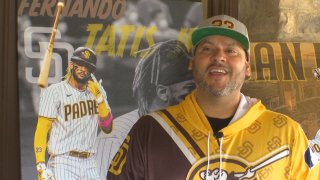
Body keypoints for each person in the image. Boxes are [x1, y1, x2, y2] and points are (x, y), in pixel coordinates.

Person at [107, 15, 320, 179]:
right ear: (192, 63)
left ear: (247, 67)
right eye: (207, 49)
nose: (219, 57)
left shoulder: (286, 134)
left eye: (231, 51)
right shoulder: (152, 129)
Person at [95, 40, 195, 179]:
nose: (196, 96)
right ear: (162, 92)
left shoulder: (191, 129)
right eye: (190, 88)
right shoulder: (117, 136)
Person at [34, 47, 113, 180]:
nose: (83, 69)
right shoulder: (54, 92)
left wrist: (100, 99)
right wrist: (40, 165)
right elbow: (42, 130)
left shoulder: (97, 91)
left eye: (88, 66)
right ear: (71, 65)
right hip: (63, 162)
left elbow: (108, 127)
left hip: (90, 162)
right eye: (80, 64)